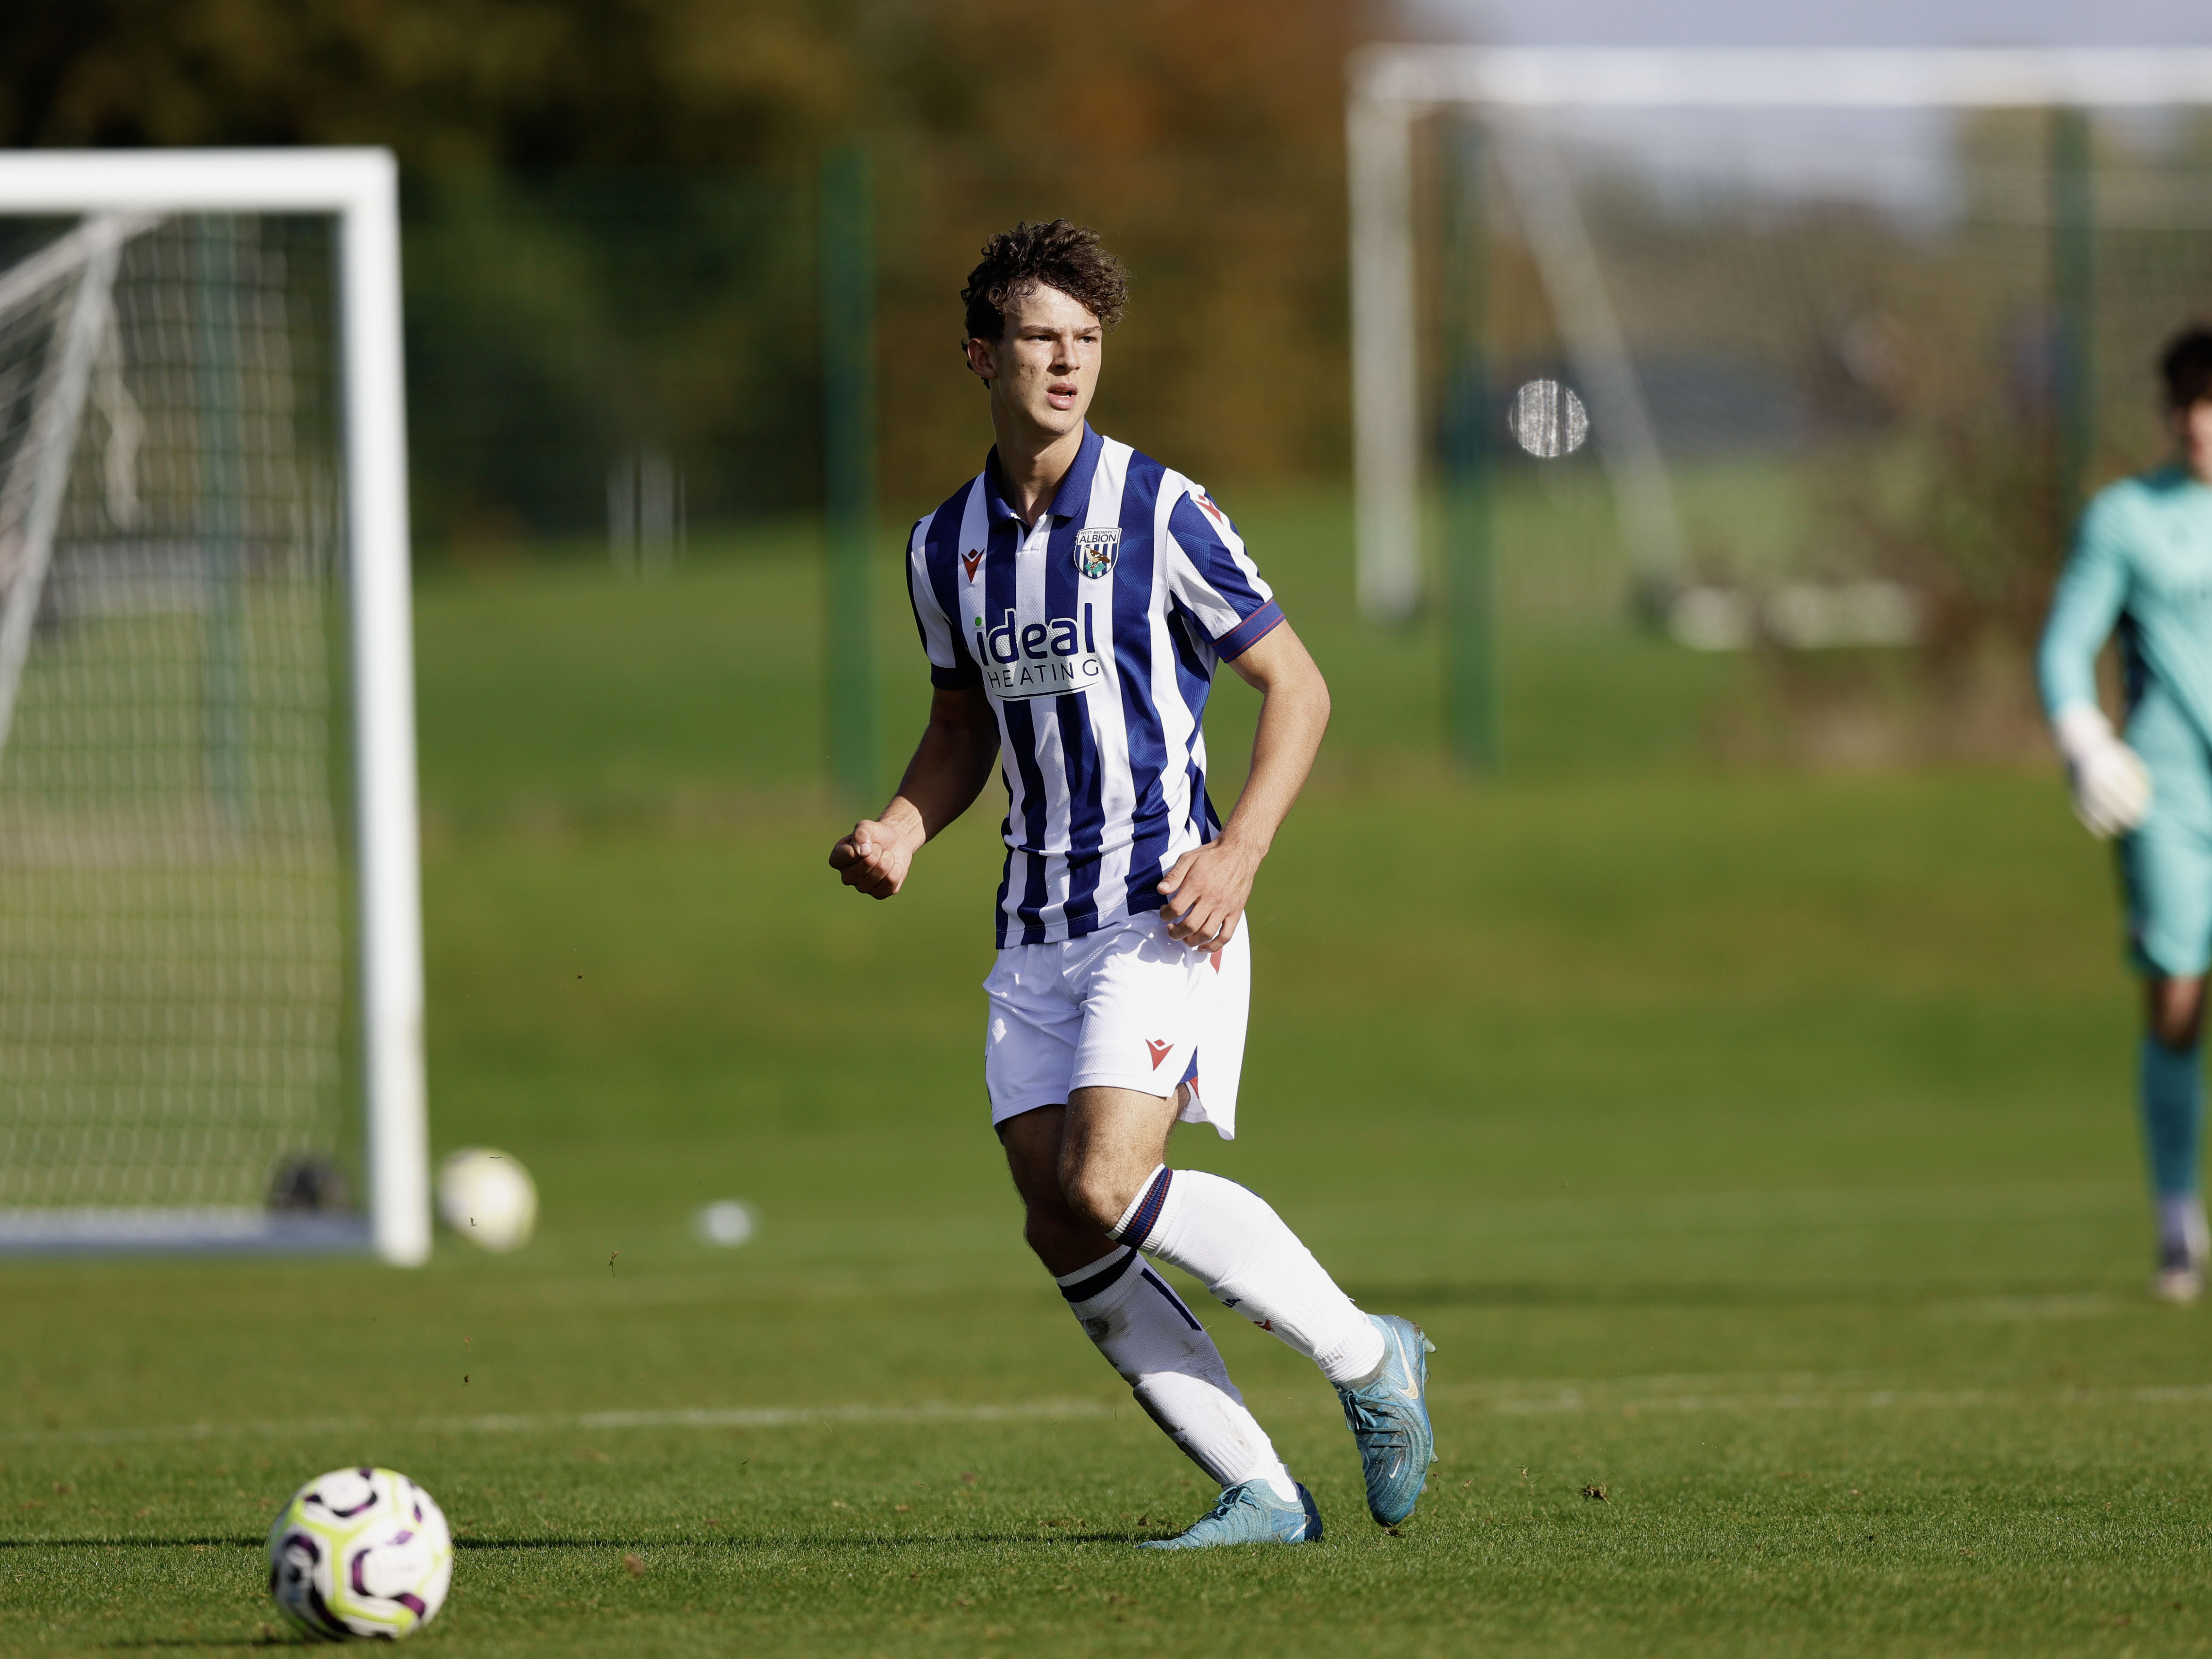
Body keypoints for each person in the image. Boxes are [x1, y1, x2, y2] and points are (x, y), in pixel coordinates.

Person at [828, 220, 1435, 1547]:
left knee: (1106, 1183)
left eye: (1086, 340)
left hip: (1162, 906)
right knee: (1059, 1224)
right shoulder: (943, 550)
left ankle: (1366, 1356)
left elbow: (1299, 687)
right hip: (1030, 927)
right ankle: (1261, 1491)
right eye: (1039, 337)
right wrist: (899, 830)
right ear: (980, 354)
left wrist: (1241, 851)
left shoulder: (1160, 508)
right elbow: (959, 729)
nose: (1065, 362)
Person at [2039, 324, 2212, 1303]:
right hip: (2169, 792)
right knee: (2178, 999)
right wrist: (2082, 736)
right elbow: (2065, 641)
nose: (2198, 423)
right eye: (2184, 403)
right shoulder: (2124, 518)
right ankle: (2176, 1222)